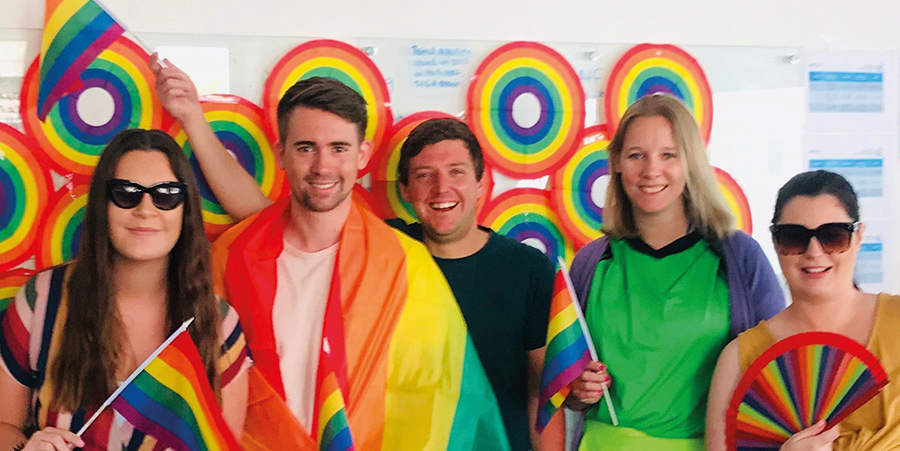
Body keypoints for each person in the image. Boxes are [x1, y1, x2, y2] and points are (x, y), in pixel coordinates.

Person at [186, 70, 508, 448]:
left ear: (362, 155)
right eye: (306, 147)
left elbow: (443, 397)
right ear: (281, 154)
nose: (322, 166)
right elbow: (203, 386)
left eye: (338, 148)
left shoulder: (405, 265)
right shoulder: (231, 256)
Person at [0, 129, 250, 450]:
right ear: (103, 205)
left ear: (185, 209)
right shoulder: (41, 301)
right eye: (127, 192)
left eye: (166, 194)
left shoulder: (220, 326)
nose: (146, 209)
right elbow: (4, 426)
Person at [564, 94, 785, 449]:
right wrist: (577, 390)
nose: (651, 170)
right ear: (617, 163)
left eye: (668, 154)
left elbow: (778, 376)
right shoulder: (590, 264)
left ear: (691, 162)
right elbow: (567, 389)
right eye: (636, 155)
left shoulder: (740, 259)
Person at [386, 117, 565, 450]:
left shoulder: (529, 270)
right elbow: (300, 215)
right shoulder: (384, 252)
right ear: (404, 189)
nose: (442, 189)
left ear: (482, 182)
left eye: (457, 172)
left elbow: (541, 395)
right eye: (425, 175)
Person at [706, 170, 900, 450]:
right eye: (794, 237)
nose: (814, 251)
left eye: (832, 236)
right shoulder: (738, 361)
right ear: (775, 243)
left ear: (858, 237)